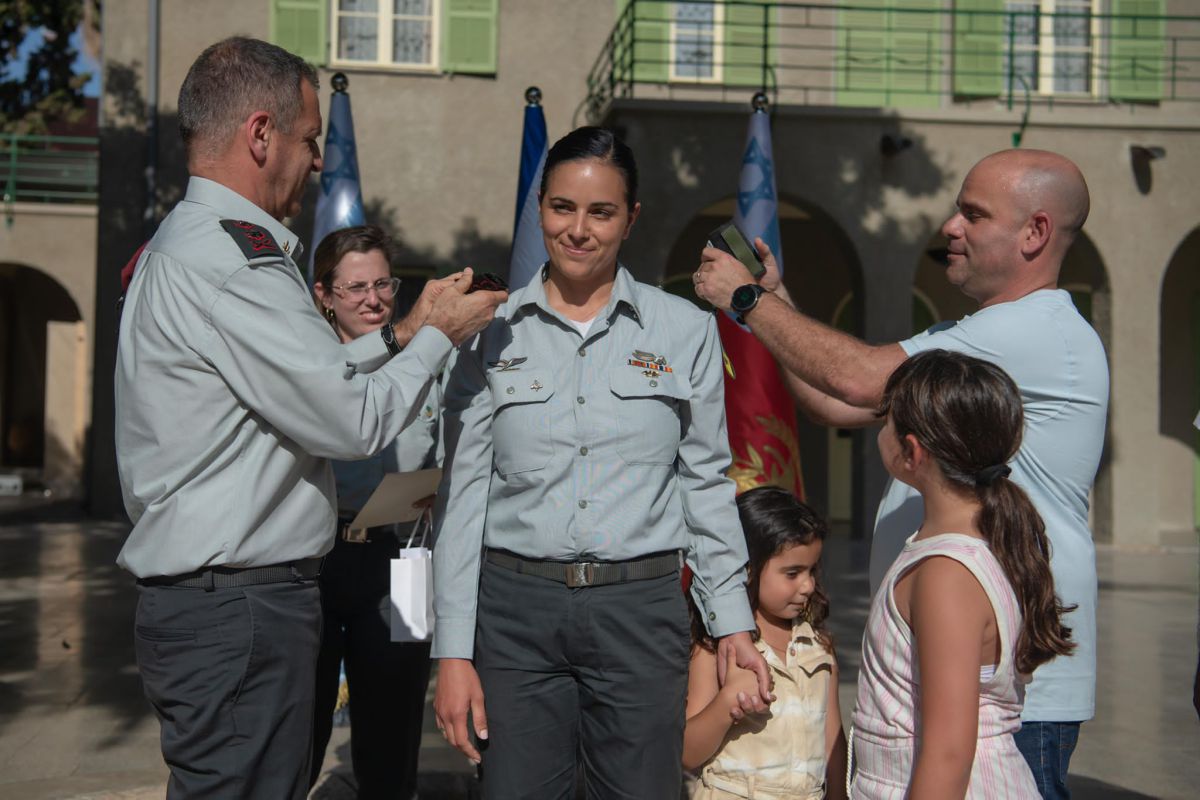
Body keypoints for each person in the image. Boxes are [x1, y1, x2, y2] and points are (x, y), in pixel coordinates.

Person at [114, 37, 505, 799]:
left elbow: (295, 384)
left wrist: (401, 335)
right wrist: (437, 336)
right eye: (308, 139)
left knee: (330, 749)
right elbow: (353, 421)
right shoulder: (236, 262)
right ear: (260, 135)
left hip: (272, 589)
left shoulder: (188, 245)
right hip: (241, 607)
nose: (318, 161)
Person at [694, 149, 1108, 798]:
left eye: (974, 214)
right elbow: (840, 399)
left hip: (997, 689)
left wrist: (746, 300)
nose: (950, 227)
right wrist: (778, 300)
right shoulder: (984, 330)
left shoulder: (1027, 330)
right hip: (949, 668)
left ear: (1036, 232)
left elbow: (857, 378)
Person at [431, 126, 771, 798]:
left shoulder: (685, 329)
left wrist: (731, 617)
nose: (578, 230)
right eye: (562, 208)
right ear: (540, 211)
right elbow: (462, 496)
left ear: (631, 218)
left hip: (639, 612)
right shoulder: (488, 331)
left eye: (600, 211)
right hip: (515, 615)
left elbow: (703, 481)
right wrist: (451, 651)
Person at [854, 349, 1075, 798]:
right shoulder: (985, 541)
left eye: (888, 420)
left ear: (911, 450)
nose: (882, 430)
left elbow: (948, 753)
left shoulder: (945, 575)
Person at [307, 225, 443, 798]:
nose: (373, 299)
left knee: (397, 720)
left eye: (383, 284)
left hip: (405, 557)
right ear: (324, 295)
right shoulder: (307, 365)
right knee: (302, 717)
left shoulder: (431, 359)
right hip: (317, 557)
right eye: (355, 287)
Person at [683, 486, 847, 800]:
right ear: (747, 569)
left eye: (812, 570)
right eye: (793, 573)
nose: (808, 585)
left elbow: (832, 741)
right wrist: (728, 702)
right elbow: (688, 752)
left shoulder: (820, 648)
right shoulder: (717, 649)